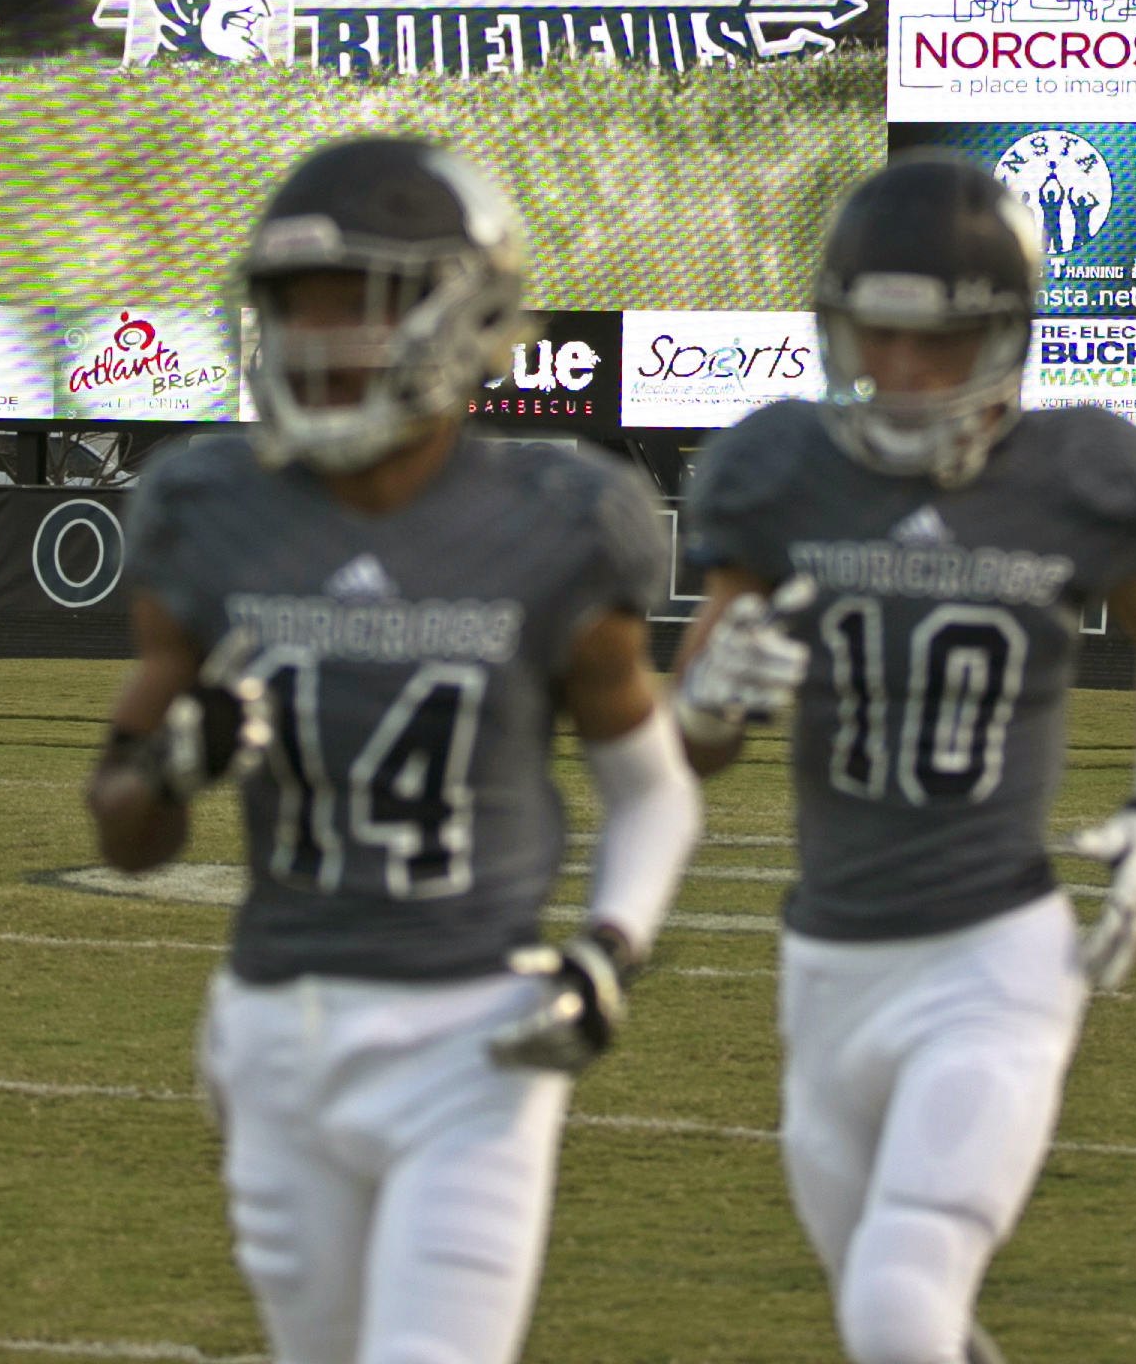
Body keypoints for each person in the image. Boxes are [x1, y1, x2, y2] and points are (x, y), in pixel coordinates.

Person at [86, 137, 702, 1364]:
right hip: (273, 1029)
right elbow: (125, 834)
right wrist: (167, 769)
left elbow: (651, 786)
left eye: (352, 307)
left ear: (459, 313)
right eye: (294, 310)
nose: (315, 342)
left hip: (474, 1031)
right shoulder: (211, 508)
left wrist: (611, 953)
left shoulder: (555, 520)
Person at [671, 151, 1136, 1364]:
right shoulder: (782, 466)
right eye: (877, 336)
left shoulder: (1082, 472)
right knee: (902, 1311)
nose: (903, 373)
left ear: (1008, 339)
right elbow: (692, 750)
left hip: (995, 959)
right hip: (826, 960)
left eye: (937, 345)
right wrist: (708, 705)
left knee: (895, 1305)